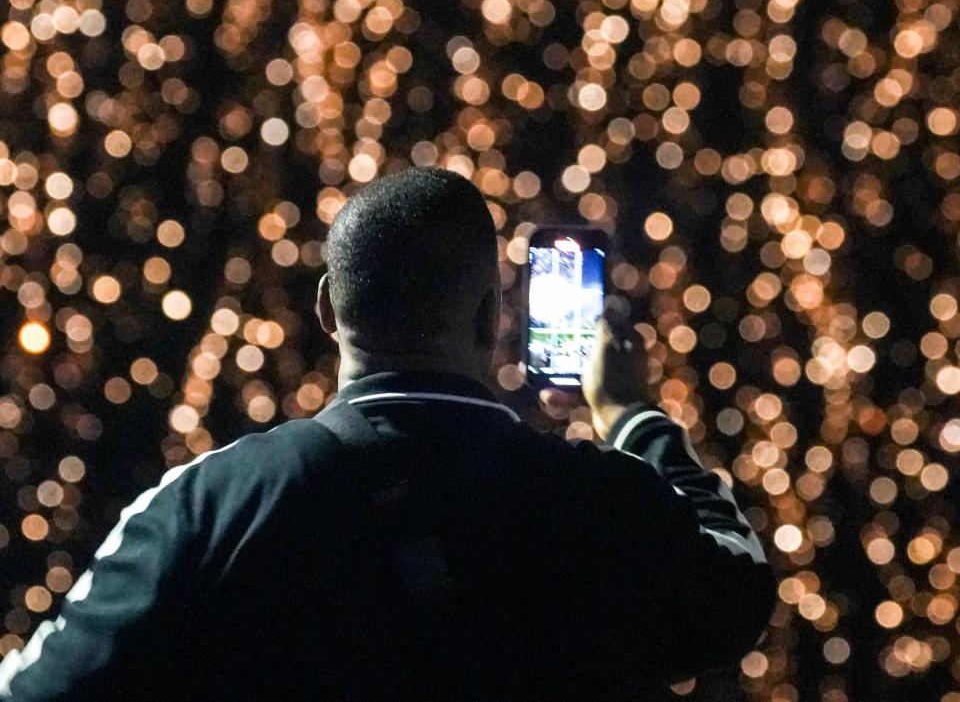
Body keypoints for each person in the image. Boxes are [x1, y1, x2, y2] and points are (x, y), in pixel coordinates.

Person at [0, 166, 776, 701]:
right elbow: (738, 589)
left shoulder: (211, 501)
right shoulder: (597, 501)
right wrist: (631, 414)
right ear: (490, 318)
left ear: (329, 311)